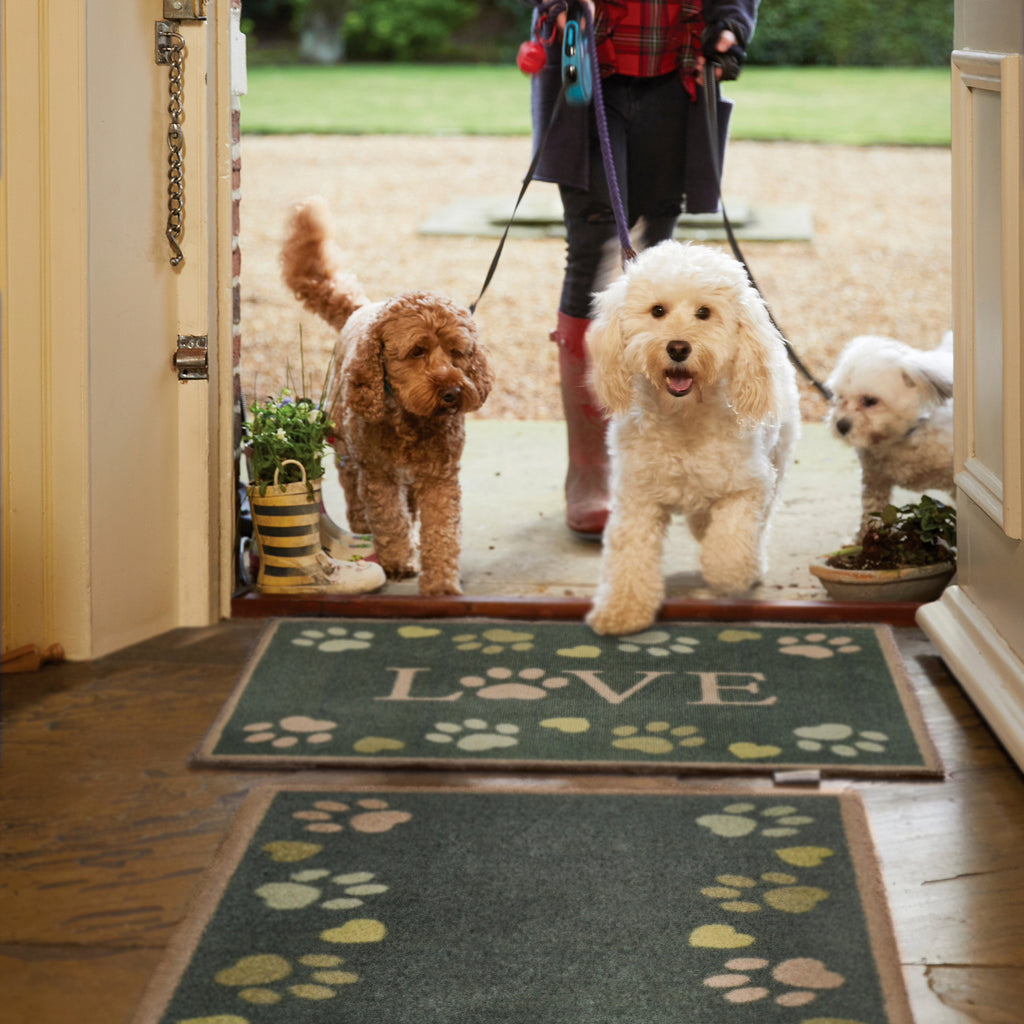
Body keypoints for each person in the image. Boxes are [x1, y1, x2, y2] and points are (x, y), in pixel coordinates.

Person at [526, 0, 760, 538]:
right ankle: (589, 470)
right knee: (592, 259)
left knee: (659, 263)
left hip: (675, 72)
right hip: (588, 68)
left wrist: (730, 24)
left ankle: (664, 460)